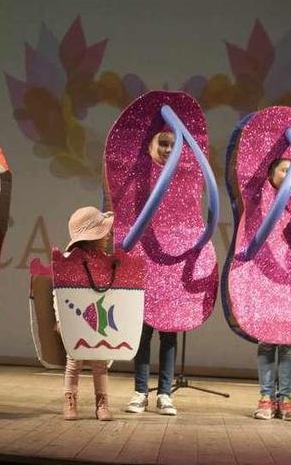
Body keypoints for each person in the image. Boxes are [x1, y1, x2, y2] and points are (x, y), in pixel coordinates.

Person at [125, 131, 179, 416]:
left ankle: (166, 394)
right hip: (144, 264)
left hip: (172, 265)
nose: (169, 149)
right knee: (143, 333)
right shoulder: (139, 176)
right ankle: (140, 391)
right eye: (163, 144)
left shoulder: (182, 178)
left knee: (169, 335)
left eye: (173, 145)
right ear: (150, 145)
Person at [252, 158, 291, 421]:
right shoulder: (259, 196)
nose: (289, 173)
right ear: (271, 172)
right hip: (264, 277)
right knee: (267, 342)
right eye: (284, 169)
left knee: (289, 343)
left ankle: (286, 398)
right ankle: (266, 397)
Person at [59, 206, 114, 421]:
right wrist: (61, 319)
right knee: (75, 359)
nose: (109, 234)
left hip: (99, 318)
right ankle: (69, 400)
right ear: (93, 235)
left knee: (100, 361)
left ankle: (102, 403)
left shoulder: (105, 260)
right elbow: (61, 295)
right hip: (77, 317)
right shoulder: (68, 260)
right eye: (105, 230)